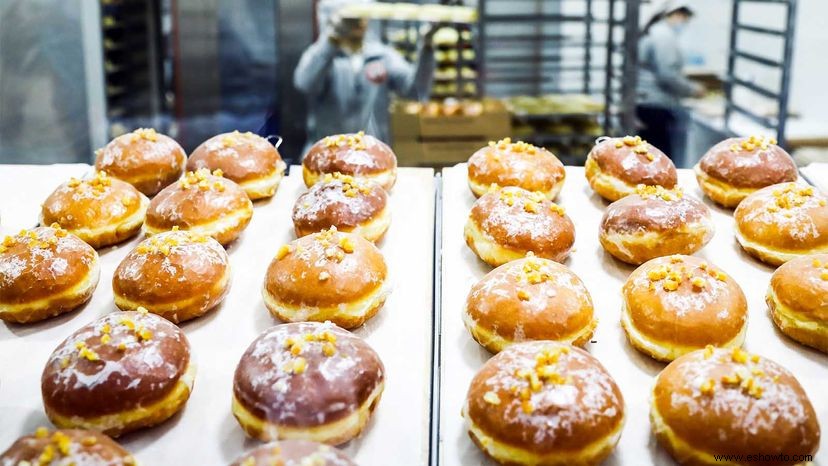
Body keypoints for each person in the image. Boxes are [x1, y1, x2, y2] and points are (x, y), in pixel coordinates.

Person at [293, 0, 437, 152]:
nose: (359, 23)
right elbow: (304, 82)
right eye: (351, 19)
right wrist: (331, 41)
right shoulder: (322, 56)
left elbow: (415, 91)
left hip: (371, 155)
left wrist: (426, 47)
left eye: (362, 16)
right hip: (326, 155)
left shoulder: (381, 55)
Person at [636, 1, 705, 166]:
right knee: (657, 160)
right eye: (685, 18)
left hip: (644, 102)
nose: (684, 23)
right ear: (677, 14)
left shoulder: (654, 31)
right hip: (655, 105)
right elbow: (668, 74)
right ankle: (656, 191)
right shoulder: (663, 36)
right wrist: (693, 89)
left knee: (646, 156)